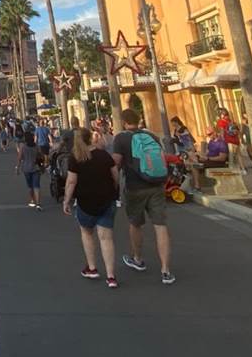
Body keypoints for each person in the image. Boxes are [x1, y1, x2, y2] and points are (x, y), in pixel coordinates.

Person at [112, 109, 174, 285]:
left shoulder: (121, 138)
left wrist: (113, 185)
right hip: (156, 185)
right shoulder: (151, 136)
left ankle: (138, 259)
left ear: (124, 122)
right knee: (160, 226)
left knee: (136, 224)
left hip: (135, 187)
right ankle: (165, 270)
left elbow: (115, 163)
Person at [63, 127, 119, 287]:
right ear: (91, 138)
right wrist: (114, 189)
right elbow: (115, 175)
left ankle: (92, 268)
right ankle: (111, 276)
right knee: (106, 238)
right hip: (106, 200)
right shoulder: (104, 155)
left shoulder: (75, 158)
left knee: (87, 233)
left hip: (85, 202)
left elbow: (71, 182)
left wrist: (66, 200)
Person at [16, 129, 45, 209]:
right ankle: (38, 203)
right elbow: (42, 156)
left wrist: (17, 167)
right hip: (36, 168)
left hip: (26, 168)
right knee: (36, 186)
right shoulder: (36, 146)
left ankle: (32, 200)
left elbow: (19, 158)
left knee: (30, 186)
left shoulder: (23, 147)